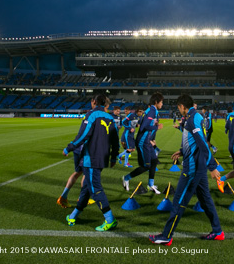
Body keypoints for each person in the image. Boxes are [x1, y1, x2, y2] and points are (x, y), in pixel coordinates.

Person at [149, 94, 224, 245]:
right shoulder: (194, 117)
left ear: (183, 106)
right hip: (198, 167)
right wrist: (182, 151)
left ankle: (166, 236)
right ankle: (217, 231)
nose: (179, 110)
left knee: (179, 201)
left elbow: (203, 144)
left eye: (178, 107)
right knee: (205, 200)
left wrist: (213, 167)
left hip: (192, 169)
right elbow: (194, 141)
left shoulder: (191, 119)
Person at [63, 94, 120, 231]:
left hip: (91, 157)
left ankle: (109, 219)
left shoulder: (91, 115)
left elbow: (83, 135)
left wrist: (69, 147)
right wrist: (113, 157)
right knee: (87, 188)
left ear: (94, 102)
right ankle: (73, 215)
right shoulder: (110, 117)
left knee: (95, 188)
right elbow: (115, 140)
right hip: (102, 158)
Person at [122, 93, 164, 194]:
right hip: (142, 142)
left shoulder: (152, 110)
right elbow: (143, 127)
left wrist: (154, 124)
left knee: (154, 161)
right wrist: (156, 127)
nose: (162, 104)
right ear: (156, 102)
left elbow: (146, 124)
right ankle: (126, 178)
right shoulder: (152, 111)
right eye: (161, 102)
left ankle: (150, 185)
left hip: (147, 141)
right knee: (146, 166)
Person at [57, 100, 93, 208]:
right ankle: (82, 198)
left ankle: (63, 197)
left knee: (78, 172)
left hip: (78, 148)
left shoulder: (89, 114)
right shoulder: (94, 115)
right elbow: (84, 135)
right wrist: (69, 148)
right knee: (85, 173)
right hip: (83, 149)